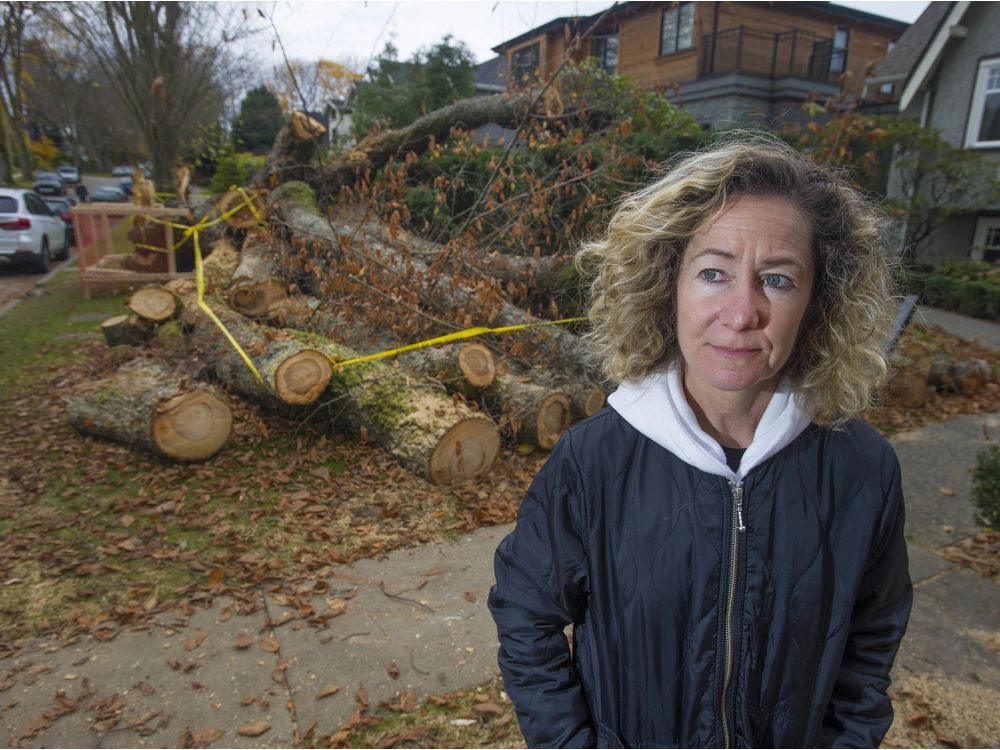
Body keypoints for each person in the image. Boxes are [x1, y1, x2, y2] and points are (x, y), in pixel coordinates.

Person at [488, 134, 913, 748]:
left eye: (778, 279)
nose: (742, 313)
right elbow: (527, 617)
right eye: (714, 273)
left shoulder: (862, 469)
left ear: (818, 302)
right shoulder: (594, 461)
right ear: (670, 285)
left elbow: (870, 646)